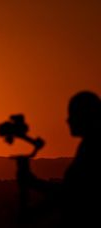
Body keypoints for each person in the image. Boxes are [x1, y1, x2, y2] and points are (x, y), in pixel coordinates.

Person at [17, 91, 101, 226]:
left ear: (85, 115)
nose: (68, 120)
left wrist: (33, 184)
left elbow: (73, 195)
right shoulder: (89, 145)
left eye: (72, 114)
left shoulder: (92, 148)